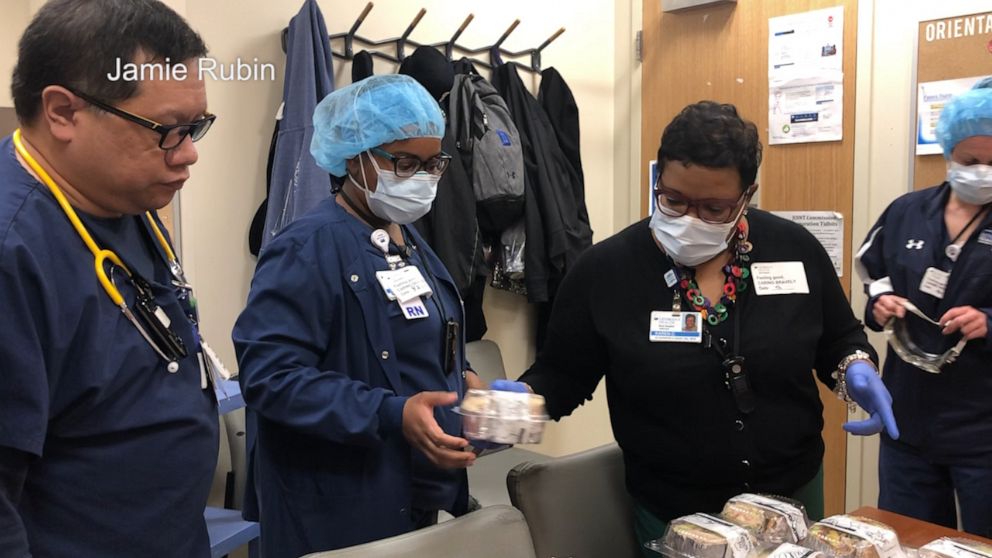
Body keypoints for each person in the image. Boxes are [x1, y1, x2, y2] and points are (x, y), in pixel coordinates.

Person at [505, 101, 897, 555]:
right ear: (658, 180)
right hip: (676, 512)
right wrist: (518, 405)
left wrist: (855, 369)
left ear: (747, 194)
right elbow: (563, 375)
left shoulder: (794, 250)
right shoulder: (605, 272)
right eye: (672, 200)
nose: (689, 220)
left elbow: (837, 338)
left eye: (713, 208)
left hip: (793, 499)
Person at [0, 1, 219, 556]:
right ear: (62, 112)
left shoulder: (122, 201)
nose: (189, 154)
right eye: (169, 131)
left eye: (196, 128)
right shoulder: (13, 252)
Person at [232, 74, 483, 557]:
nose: (423, 179)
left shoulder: (406, 240)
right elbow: (270, 377)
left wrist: (466, 381)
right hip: (335, 504)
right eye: (406, 162)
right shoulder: (305, 248)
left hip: (409, 493)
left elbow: (416, 337)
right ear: (355, 156)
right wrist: (390, 413)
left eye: (434, 164)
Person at [856, 81, 992, 537]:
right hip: (910, 423)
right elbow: (873, 273)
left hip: (983, 430)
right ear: (950, 153)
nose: (982, 172)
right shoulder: (907, 211)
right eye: (971, 161)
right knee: (908, 539)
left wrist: (988, 321)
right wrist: (880, 303)